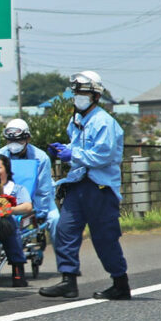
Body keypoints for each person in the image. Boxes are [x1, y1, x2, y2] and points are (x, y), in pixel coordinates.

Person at [39, 71, 130, 300]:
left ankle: (120, 283)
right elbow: (77, 147)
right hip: (77, 183)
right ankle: (68, 281)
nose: (78, 96)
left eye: (83, 92)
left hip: (100, 188)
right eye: (76, 92)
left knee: (104, 238)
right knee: (65, 229)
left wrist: (74, 154)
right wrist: (64, 149)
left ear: (95, 96)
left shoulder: (104, 122)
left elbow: (103, 156)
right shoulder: (77, 120)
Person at [0, 118, 60, 273]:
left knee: (55, 220)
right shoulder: (0, 155)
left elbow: (43, 190)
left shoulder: (41, 158)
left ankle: (64, 264)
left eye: (18, 140)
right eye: (10, 140)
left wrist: (38, 213)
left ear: (27, 139)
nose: (14, 143)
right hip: (8, 197)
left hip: (37, 199)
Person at [0, 154, 34, 287]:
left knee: (10, 225)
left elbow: (28, 206)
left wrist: (9, 210)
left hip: (4, 222)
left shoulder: (17, 189)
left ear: (6, 170)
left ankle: (18, 272)